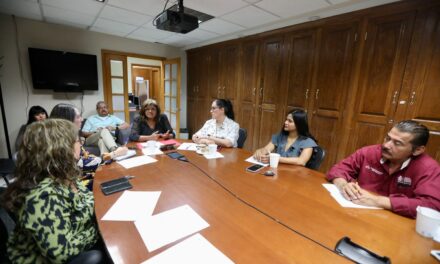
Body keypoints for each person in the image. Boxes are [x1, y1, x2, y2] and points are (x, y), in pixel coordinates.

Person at [2, 119, 100, 263]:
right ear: (62, 149)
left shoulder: (65, 174)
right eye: (78, 141)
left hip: (80, 236)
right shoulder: (43, 196)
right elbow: (61, 253)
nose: (81, 144)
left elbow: (85, 201)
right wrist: (98, 231)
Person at [326, 120, 440, 218]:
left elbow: (431, 206)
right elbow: (339, 169)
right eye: (388, 138)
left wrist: (378, 201)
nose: (386, 145)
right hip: (357, 212)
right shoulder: (369, 152)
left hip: (397, 224)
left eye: (397, 143)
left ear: (418, 150)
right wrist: (343, 185)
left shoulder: (429, 168)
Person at [50, 103, 102, 180]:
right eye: (78, 117)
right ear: (67, 120)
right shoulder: (58, 141)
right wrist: (111, 155)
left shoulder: (71, 135)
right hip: (70, 182)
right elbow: (76, 164)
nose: (81, 119)